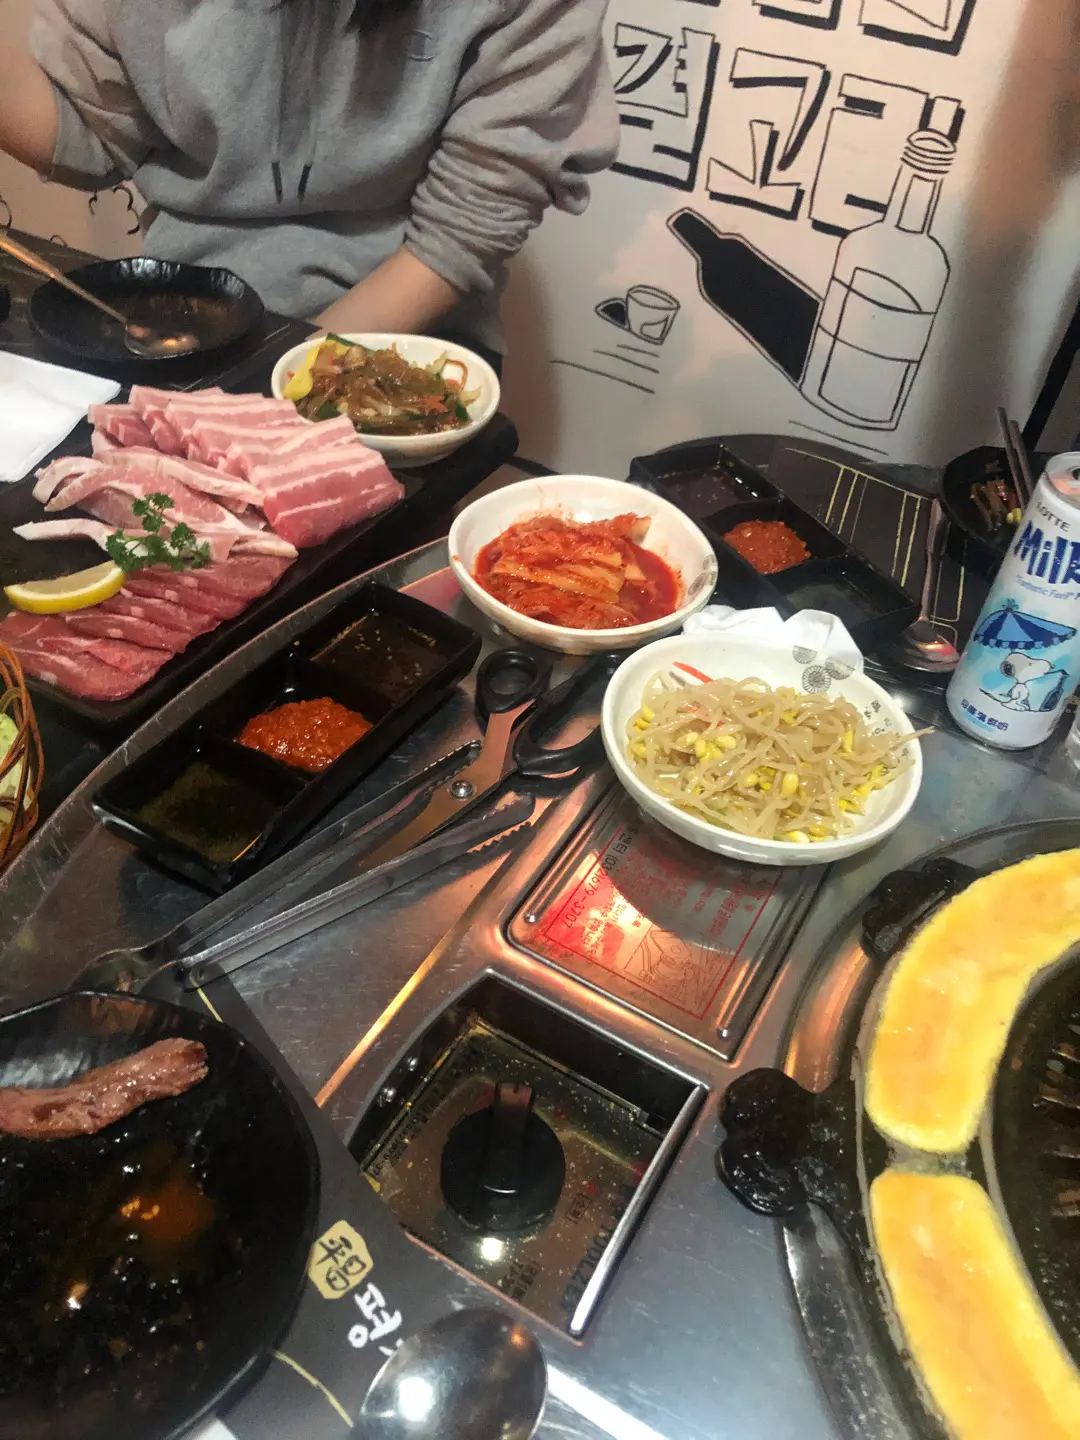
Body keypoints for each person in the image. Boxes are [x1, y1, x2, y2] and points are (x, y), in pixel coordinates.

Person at [0, 0, 618, 368]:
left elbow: (463, 230)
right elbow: (91, 134)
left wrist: (276, 385)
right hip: (183, 323)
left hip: (400, 339)